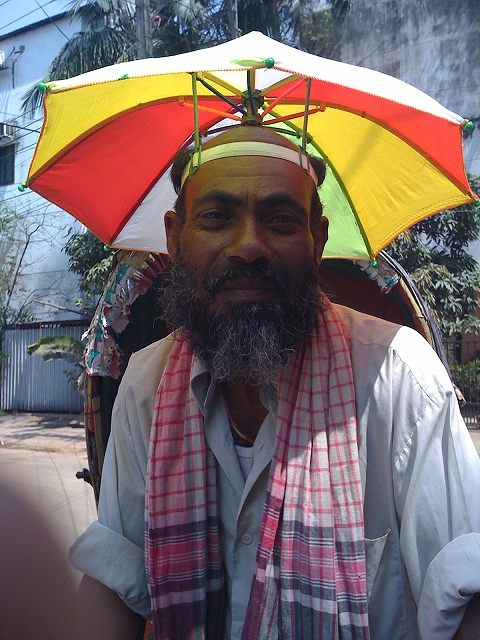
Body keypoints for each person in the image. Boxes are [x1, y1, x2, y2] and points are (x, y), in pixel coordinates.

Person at [71, 123, 480, 640]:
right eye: (217, 217)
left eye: (281, 220)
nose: (248, 247)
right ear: (175, 238)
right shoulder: (145, 386)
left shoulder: (399, 379)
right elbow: (117, 579)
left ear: (318, 242)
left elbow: (465, 591)